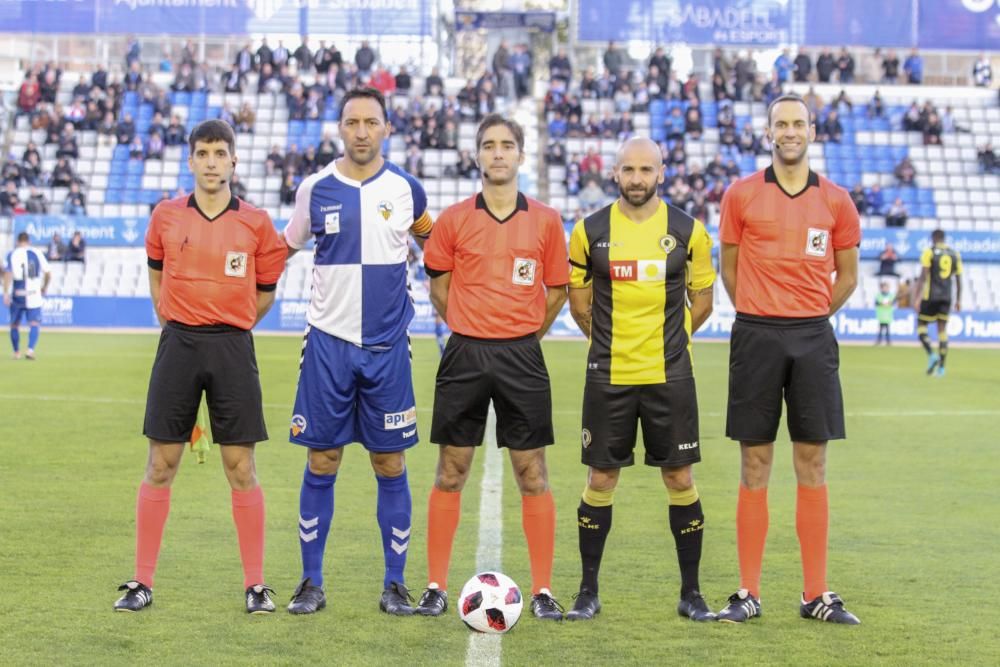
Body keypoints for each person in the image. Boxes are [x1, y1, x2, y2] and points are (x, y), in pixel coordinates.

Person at [112, 119, 287, 614]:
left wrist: (231, 324)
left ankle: (255, 586)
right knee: (161, 464)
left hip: (233, 347)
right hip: (179, 346)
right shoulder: (165, 216)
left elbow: (266, 294)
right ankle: (142, 582)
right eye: (203, 153)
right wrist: (177, 324)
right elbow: (156, 280)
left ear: (234, 160)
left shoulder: (256, 223)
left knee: (240, 466)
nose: (212, 162)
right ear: (190, 161)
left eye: (220, 153)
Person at [282, 88, 433, 617]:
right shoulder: (315, 189)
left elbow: (431, 245)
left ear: (387, 128)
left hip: (388, 347)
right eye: (353, 122)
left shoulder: (408, 190)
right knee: (323, 457)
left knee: (389, 462)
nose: (362, 131)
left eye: (372, 121)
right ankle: (310, 582)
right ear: (340, 128)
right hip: (328, 344)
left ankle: (395, 584)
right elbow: (288, 245)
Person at [415, 114, 569, 621]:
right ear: (477, 156)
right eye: (488, 145)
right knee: (451, 468)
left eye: (507, 145)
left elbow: (557, 291)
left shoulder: (545, 221)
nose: (498, 153)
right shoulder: (455, 220)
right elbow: (440, 288)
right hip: (465, 354)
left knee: (532, 471)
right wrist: (469, 324)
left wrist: (523, 335)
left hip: (522, 356)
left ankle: (543, 589)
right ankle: (436, 584)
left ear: (521, 155)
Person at [717, 94, 861, 625]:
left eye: (799, 123)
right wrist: (761, 311)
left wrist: (809, 312)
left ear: (813, 131)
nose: (790, 131)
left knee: (812, 463)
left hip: (813, 338)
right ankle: (748, 593)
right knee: (755, 463)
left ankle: (815, 594)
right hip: (756, 335)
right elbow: (729, 268)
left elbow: (847, 276)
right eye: (782, 123)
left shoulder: (838, 201)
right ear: (769, 131)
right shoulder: (741, 195)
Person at [562, 137, 716, 622]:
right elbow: (579, 306)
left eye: (645, 169)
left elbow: (703, 302)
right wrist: (610, 343)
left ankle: (691, 593)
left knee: (679, 476)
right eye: (628, 169)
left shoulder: (689, 231)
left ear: (662, 173)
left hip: (670, 375)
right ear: (615, 173)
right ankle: (588, 591)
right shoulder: (589, 231)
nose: (636, 178)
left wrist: (666, 343)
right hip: (608, 376)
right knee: (601, 477)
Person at [914, 229, 962, 378]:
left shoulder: (929, 252)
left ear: (934, 238)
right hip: (947, 298)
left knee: (921, 326)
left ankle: (931, 354)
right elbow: (959, 280)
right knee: (942, 331)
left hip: (930, 296)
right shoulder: (955, 254)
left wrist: (916, 298)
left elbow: (923, 276)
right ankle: (941, 368)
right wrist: (959, 300)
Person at [4, 232, 51, 360]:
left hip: (18, 292)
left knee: (14, 325)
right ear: (28, 241)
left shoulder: (12, 254)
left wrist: (6, 292)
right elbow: (48, 273)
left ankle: (16, 352)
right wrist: (44, 287)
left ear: (18, 241)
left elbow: (8, 273)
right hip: (34, 293)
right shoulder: (37, 253)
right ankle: (30, 350)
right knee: (34, 323)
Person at [874, 281, 895, 346]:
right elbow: (877, 303)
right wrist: (883, 304)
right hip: (881, 315)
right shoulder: (878, 295)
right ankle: (879, 341)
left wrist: (886, 304)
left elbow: (893, 302)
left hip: (888, 315)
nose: (885, 289)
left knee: (887, 330)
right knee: (880, 329)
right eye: (884, 287)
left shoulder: (891, 295)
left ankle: (888, 342)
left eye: (886, 287)